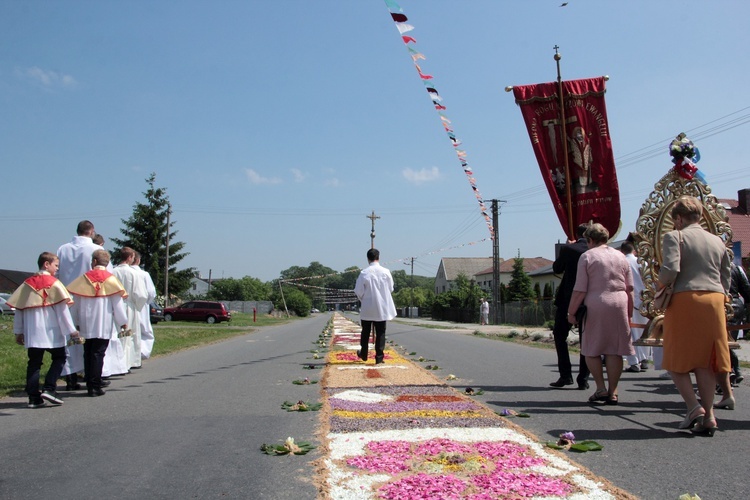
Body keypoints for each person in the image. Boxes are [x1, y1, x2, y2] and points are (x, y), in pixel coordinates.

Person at [659, 195, 731, 436]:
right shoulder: (717, 241)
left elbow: (671, 269)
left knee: (675, 358)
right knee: (706, 360)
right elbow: (726, 276)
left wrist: (659, 286)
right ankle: (709, 414)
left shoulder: (674, 236)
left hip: (685, 298)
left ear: (678, 218)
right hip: (715, 300)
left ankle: (693, 407)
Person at [568, 223, 634, 405]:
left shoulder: (587, 256)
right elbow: (630, 288)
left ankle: (600, 388)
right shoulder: (621, 256)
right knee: (615, 349)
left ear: (589, 240)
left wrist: (571, 312)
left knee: (591, 348)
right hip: (620, 302)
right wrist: (629, 312)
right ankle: (614, 391)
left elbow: (580, 289)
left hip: (597, 302)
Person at [7, 253, 79, 408]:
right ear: (46, 264)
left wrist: (19, 331)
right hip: (51, 330)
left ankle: (34, 398)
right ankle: (49, 388)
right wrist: (71, 330)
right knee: (60, 357)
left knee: (34, 363)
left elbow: (19, 309)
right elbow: (62, 311)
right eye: (56, 266)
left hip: (33, 331)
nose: (57, 269)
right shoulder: (54, 283)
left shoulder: (26, 285)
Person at [67, 250, 129, 397]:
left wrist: (74, 322)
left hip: (86, 322)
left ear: (94, 262)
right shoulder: (111, 280)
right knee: (98, 354)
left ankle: (89, 382)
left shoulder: (83, 279)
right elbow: (117, 304)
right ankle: (95, 385)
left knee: (87, 353)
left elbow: (75, 303)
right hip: (103, 322)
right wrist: (123, 322)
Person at [57, 220, 107, 391]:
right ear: (91, 231)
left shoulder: (63, 249)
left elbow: (56, 272)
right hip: (89, 298)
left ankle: (70, 377)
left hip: (66, 297)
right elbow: (107, 275)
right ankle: (92, 376)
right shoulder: (96, 250)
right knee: (91, 339)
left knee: (69, 338)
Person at [550, 223, 591, 390]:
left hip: (568, 298)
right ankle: (584, 379)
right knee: (586, 340)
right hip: (589, 299)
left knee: (560, 335)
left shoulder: (570, 249)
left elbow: (557, 268)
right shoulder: (594, 251)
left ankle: (565, 375)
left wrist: (566, 247)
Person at [713, 261, 750, 410]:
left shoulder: (710, 264)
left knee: (723, 345)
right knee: (727, 343)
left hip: (721, 305)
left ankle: (729, 375)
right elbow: (747, 291)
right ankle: (732, 373)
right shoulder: (737, 268)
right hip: (734, 305)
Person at [354, 248, 397, 364]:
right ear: (379, 257)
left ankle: (363, 353)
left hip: (368, 306)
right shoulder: (386, 272)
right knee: (381, 332)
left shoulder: (364, 273)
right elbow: (391, 288)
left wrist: (363, 298)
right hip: (381, 307)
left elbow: (358, 291)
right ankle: (379, 357)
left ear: (368, 258)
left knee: (365, 332)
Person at [113, 247, 149, 369]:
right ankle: (128, 363)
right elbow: (141, 294)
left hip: (115, 305)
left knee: (117, 334)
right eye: (133, 257)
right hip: (129, 306)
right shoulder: (134, 273)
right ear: (129, 258)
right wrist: (137, 306)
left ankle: (116, 363)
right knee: (130, 335)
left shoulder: (113, 271)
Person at [621, 239, 651, 372]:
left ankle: (634, 361)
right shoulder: (642, 262)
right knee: (644, 330)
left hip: (629, 299)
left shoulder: (622, 261)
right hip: (644, 299)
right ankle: (644, 359)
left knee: (630, 331)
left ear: (622, 251)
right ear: (633, 250)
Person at [133, 251, 157, 359]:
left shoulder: (118, 271)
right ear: (138, 260)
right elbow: (151, 292)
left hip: (125, 305)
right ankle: (142, 353)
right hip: (141, 305)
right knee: (144, 330)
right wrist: (148, 302)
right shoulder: (144, 274)